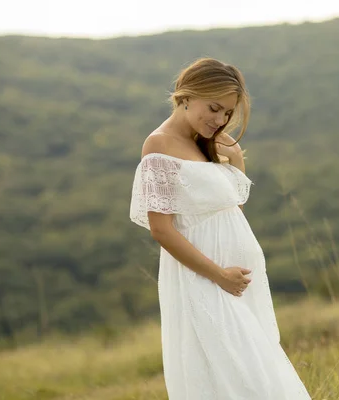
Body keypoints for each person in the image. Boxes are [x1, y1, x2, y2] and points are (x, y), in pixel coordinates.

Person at [129, 58, 312, 399]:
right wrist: (219, 275)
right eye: (214, 108)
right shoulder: (158, 146)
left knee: (258, 368)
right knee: (242, 376)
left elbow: (229, 212)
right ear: (186, 96)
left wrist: (234, 157)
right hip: (205, 278)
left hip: (238, 280)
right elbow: (162, 230)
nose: (220, 120)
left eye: (228, 113)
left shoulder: (212, 143)